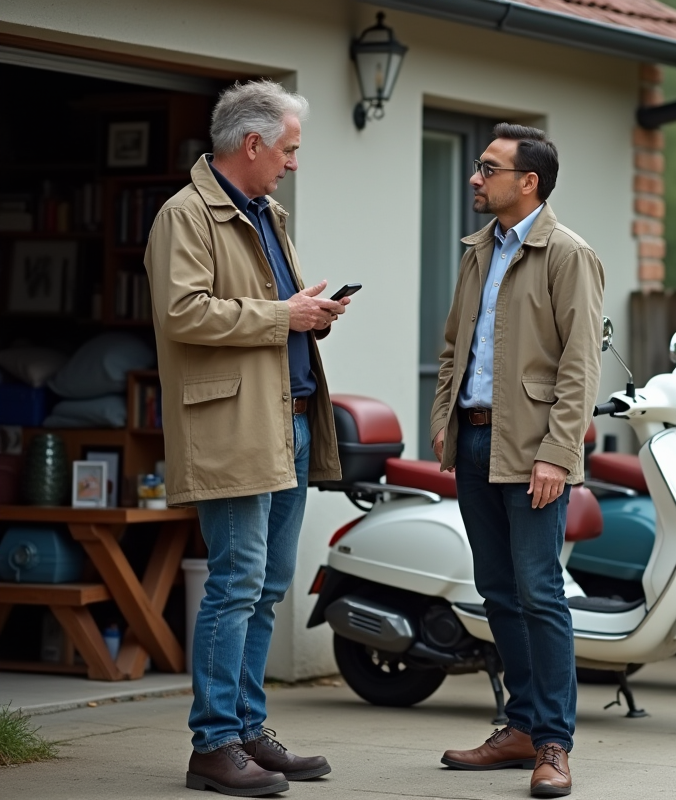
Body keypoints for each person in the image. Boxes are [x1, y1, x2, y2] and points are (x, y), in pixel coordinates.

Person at [144, 79, 350, 797]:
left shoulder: (266, 210)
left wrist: (309, 316)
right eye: (289, 149)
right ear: (253, 143)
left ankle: (249, 731)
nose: (294, 162)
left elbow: (271, 314)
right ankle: (213, 744)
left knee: (266, 589)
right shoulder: (185, 215)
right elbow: (183, 313)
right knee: (234, 587)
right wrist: (281, 316)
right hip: (233, 426)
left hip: (285, 420)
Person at [433, 123, 605, 798]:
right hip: (473, 441)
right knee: (499, 593)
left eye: (488, 168)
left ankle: (555, 744)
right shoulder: (479, 250)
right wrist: (444, 416)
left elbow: (579, 364)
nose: (476, 178)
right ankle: (521, 727)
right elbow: (454, 343)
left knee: (540, 595)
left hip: (534, 450)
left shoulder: (568, 254)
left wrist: (559, 455)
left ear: (527, 182)